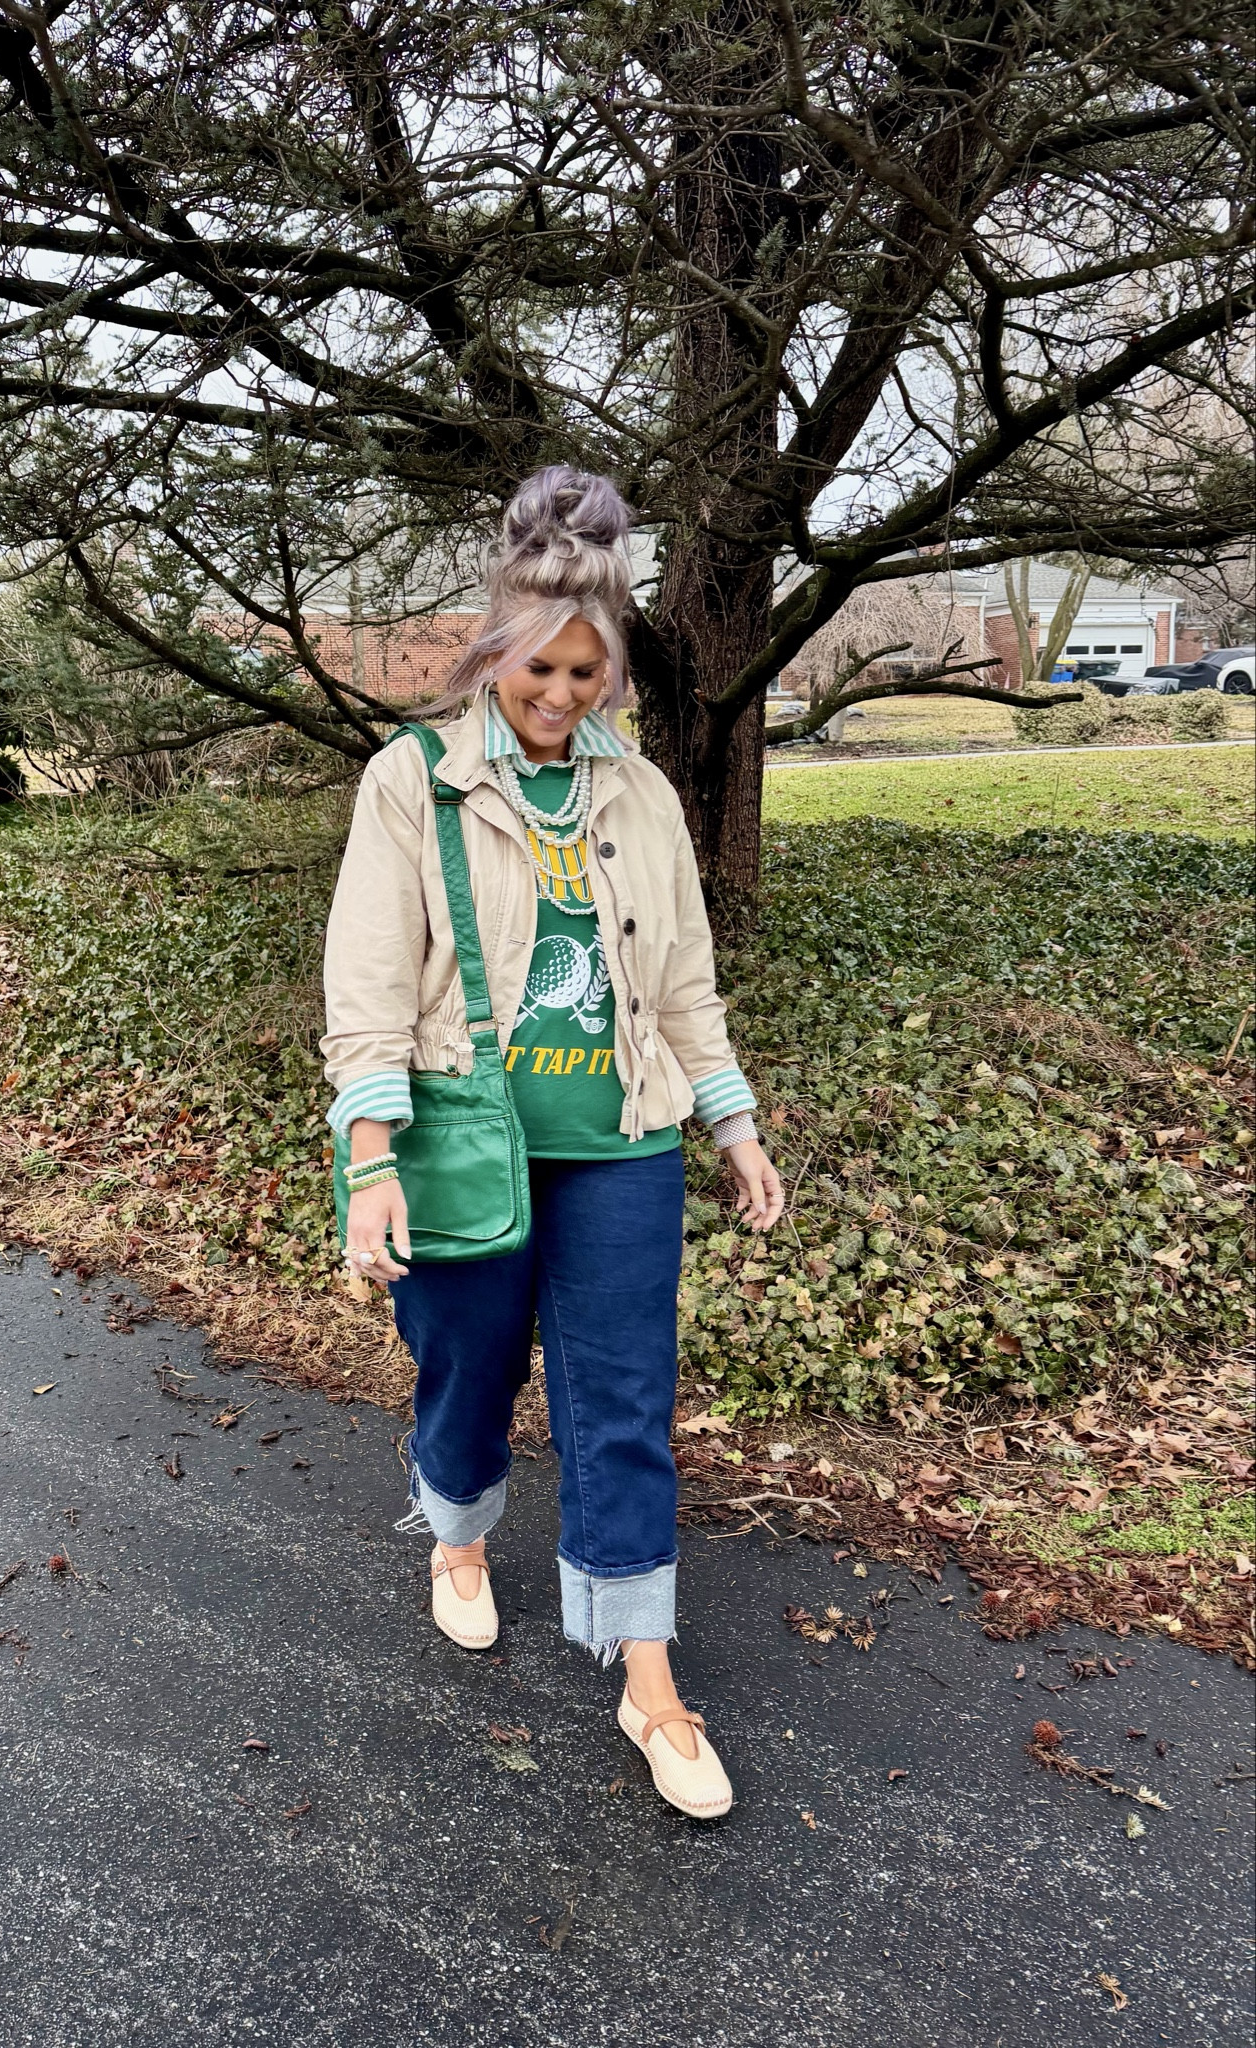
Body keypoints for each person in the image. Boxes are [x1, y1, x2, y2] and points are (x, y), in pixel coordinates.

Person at [320, 467, 783, 1819]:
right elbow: (363, 987)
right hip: (469, 1139)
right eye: (542, 668)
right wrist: (369, 1158)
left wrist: (731, 1120)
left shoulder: (635, 794)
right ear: (496, 648)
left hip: (622, 1148)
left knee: (624, 1404)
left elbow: (685, 977)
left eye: (589, 672)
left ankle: (649, 1678)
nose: (563, 694)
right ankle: (457, 1533)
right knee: (464, 1370)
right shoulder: (413, 784)